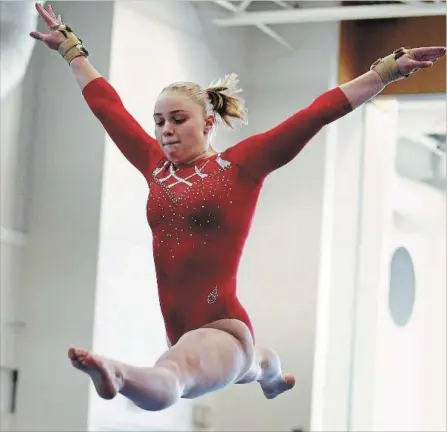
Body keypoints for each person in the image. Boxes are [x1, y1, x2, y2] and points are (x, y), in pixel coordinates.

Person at [30, 2, 445, 412]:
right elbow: (109, 109)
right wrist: (70, 49)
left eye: (177, 119)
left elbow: (316, 114)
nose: (165, 130)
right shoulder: (153, 165)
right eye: (159, 122)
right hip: (186, 330)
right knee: (257, 362)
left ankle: (118, 375)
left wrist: (389, 70)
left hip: (221, 327)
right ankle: (272, 378)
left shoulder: (240, 165)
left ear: (207, 123)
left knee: (174, 376)